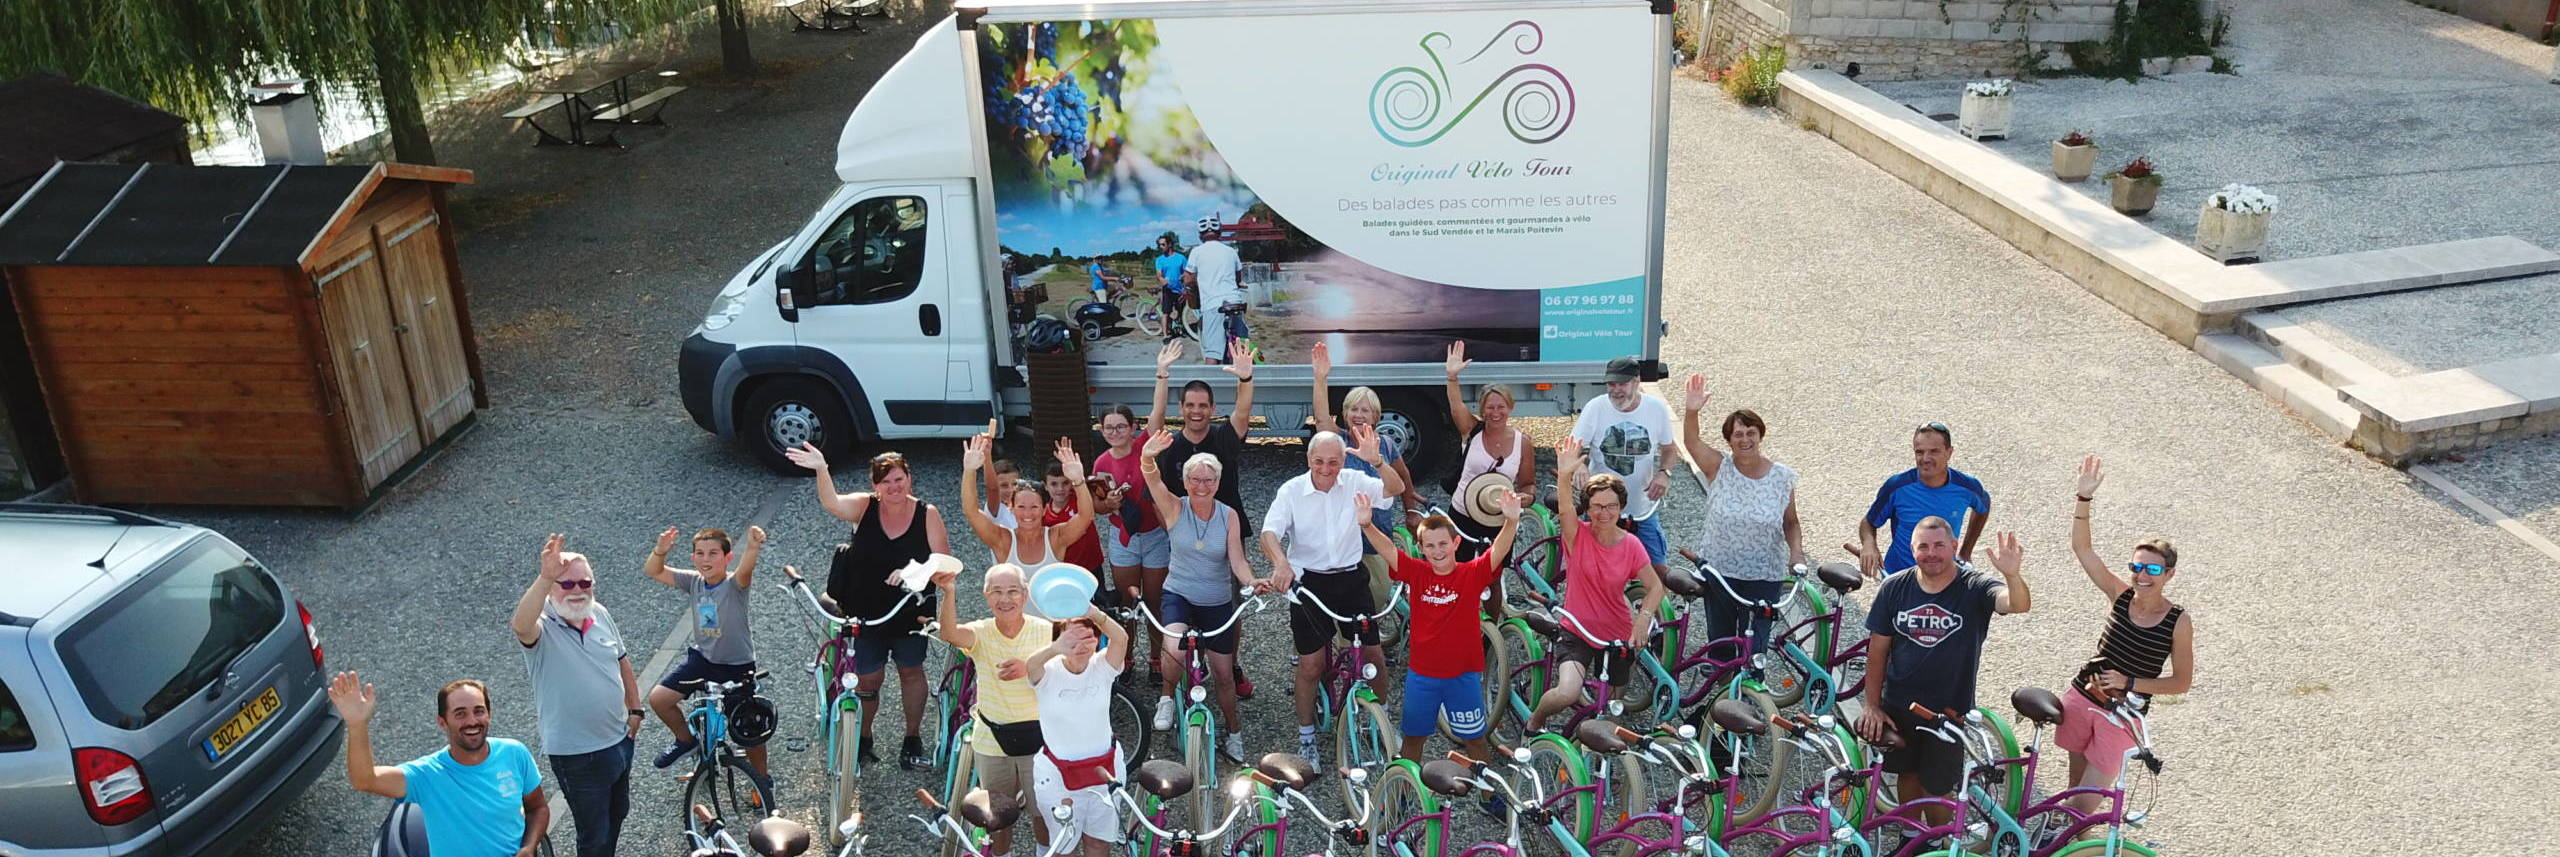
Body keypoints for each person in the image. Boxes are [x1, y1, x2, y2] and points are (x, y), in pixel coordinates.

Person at [1851, 519, 2032, 825]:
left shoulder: (1974, 587)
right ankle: (1911, 837)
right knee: (1906, 775)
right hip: (1899, 704)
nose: (1931, 553)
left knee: (1939, 787)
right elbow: (1878, 650)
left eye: (1939, 545)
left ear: (1954, 547)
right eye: (1923, 546)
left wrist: (2012, 576)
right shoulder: (1894, 587)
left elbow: (2017, 604)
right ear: (1912, 549)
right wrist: (1872, 704)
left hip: (1949, 711)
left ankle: (1939, 840)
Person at [788, 443, 953, 771]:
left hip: (909, 609)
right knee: (867, 680)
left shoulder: (927, 513)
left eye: (899, 479)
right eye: (886, 482)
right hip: (865, 611)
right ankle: (863, 737)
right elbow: (832, 503)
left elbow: (944, 562)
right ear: (875, 486)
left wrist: (913, 572)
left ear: (909, 479)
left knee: (911, 671)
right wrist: (822, 469)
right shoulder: (864, 507)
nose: (894, 487)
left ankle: (912, 737)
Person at [2059, 456, 2194, 824]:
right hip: (2083, 696)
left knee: (2083, 805)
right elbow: (2083, 550)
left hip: (2123, 715)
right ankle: (2068, 845)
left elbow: (2181, 682)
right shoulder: (2119, 594)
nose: (2141, 575)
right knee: (2073, 793)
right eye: (2136, 567)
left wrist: (2130, 682)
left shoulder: (2177, 621)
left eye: (2152, 569)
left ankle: (2068, 839)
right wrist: (2082, 500)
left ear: (2169, 574)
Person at [1260, 426, 1403, 764]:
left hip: (1351, 580)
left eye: (1334, 462)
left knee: (1374, 655)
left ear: (1342, 461)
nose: (1326, 469)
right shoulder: (1292, 490)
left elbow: (1395, 488)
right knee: (1311, 665)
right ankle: (1306, 737)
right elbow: (1269, 532)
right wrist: (1281, 562)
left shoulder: (1354, 481)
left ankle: (1380, 719)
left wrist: (1378, 461)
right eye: (1319, 462)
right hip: (1309, 582)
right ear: (1308, 459)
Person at [1137, 429, 1271, 761]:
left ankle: (1234, 732)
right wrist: (1147, 456)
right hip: (1179, 593)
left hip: (1215, 600)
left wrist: (1251, 581)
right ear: (1185, 482)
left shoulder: (1229, 516)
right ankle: (1167, 697)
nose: (1201, 485)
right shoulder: (1173, 507)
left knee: (1224, 674)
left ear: (1218, 482)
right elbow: (1152, 480)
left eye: (1209, 480)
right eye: (1195, 479)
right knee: (1173, 648)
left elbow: (1236, 559)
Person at [1361, 494, 1518, 764]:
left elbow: (1498, 551)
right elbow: (1388, 550)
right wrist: (1366, 525)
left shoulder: (1472, 573)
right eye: (1430, 546)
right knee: (1414, 739)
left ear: (1456, 543)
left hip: (1463, 676)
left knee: (1474, 739)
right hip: (1423, 677)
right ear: (1421, 548)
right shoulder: (1417, 572)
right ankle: (1405, 794)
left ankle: (1488, 796)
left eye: (1443, 543)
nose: (1438, 551)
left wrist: (1511, 521)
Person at [510, 535, 643, 857]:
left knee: (617, 814)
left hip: (619, 740)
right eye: (565, 584)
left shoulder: (599, 613)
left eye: (585, 582)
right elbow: (519, 625)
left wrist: (636, 710)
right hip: (577, 755)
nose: (577, 590)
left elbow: (621, 659)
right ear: (551, 588)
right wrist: (544, 576)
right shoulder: (542, 625)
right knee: (593, 834)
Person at [1526, 437, 1668, 734]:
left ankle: (1608, 761)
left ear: (1621, 507)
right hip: (1577, 628)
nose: (1604, 514)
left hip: (1618, 633)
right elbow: (1565, 510)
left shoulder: (1631, 545)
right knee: (1566, 692)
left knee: (1614, 704)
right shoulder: (1577, 536)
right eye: (1597, 507)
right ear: (1588, 509)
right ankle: (1535, 721)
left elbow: (1655, 587)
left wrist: (1643, 618)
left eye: (1611, 506)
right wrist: (1564, 475)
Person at [330, 673, 551, 857]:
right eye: (460, 714)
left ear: (489, 714)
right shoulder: (426, 775)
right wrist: (357, 724)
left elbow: (538, 808)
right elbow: (365, 780)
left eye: (479, 711)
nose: (472, 721)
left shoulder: (514, 753)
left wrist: (529, 847)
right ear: (442, 722)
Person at [1147, 341, 1260, 698]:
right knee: (1181, 597)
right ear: (1181, 408)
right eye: (1190, 405)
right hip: (1184, 535)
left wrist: (1246, 378)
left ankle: (1231, 663)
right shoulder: (1168, 444)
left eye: (1203, 405)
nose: (1196, 412)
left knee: (1229, 602)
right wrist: (1162, 375)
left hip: (1227, 532)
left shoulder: (1224, 437)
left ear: (1212, 408)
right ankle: (1177, 672)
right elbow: (1153, 423)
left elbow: (1243, 414)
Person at [1674, 374, 1808, 660]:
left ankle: (1747, 696)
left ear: (1760, 435)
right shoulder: (1718, 467)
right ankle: (1723, 698)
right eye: (1738, 434)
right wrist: (1692, 410)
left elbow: (1791, 522)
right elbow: (1691, 441)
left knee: (1754, 649)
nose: (1745, 439)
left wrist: (1796, 553)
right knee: (1722, 646)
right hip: (1721, 573)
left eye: (1750, 433)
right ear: (1729, 440)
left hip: (1764, 575)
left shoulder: (1782, 477)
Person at [933, 563, 1055, 855]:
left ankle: (1044, 851)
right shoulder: (982, 632)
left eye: (1013, 591)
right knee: (997, 813)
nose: (1005, 599)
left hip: (1039, 736)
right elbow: (948, 633)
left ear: (1025, 596)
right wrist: (949, 591)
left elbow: (1072, 663)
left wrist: (1029, 667)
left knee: (1043, 811)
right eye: (997, 592)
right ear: (987, 597)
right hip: (992, 737)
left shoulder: (1047, 631)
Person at [641, 525, 768, 775]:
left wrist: (753, 547)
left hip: (737, 666)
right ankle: (687, 741)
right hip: (704, 660)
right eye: (700, 553)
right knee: (659, 699)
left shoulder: (734, 585)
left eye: (713, 553)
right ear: (693, 558)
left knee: (748, 728)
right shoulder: (694, 581)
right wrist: (660, 550)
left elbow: (746, 569)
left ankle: (763, 779)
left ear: (727, 558)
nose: (705, 559)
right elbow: (653, 570)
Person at [1311, 342, 1425, 612]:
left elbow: (1404, 478)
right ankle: (1347, 648)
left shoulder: (1385, 444)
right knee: (1341, 601)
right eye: (1354, 409)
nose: (1359, 415)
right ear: (1345, 413)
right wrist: (1320, 378)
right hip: (1342, 537)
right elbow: (1320, 419)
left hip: (1377, 535)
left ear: (1375, 416)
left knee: (1376, 597)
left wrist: (1411, 511)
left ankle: (1367, 642)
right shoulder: (1337, 440)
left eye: (1365, 410)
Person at [1092, 354, 1175, 678]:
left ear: (1133, 429)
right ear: (1102, 429)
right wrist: (1109, 504)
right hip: (1123, 537)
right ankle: (1125, 660)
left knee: (1155, 603)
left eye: (1121, 427)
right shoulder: (1100, 463)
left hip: (1155, 535)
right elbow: (1096, 508)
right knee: (1127, 607)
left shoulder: (1145, 446)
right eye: (1109, 427)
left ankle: (1157, 659)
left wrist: (1161, 373)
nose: (1115, 432)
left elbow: (1158, 414)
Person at [1027, 609, 1134, 857]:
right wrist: (1056, 648)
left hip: (1105, 770)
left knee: (1099, 843)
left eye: (1088, 638)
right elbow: (1030, 665)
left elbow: (1121, 639)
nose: (1082, 645)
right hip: (1057, 775)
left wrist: (1094, 613)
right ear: (1058, 640)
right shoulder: (1048, 671)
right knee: (1064, 847)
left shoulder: (1102, 666)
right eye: (1072, 640)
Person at [1571, 356, 1682, 580]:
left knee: (1658, 572)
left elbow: (1670, 449)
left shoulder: (1655, 408)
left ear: (1637, 381)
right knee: (1591, 573)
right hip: (1600, 509)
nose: (1616, 390)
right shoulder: (1596, 408)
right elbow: (1571, 448)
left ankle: (1652, 613)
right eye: (1612, 384)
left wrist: (1664, 473)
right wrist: (1578, 465)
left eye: (1622, 384)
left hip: (1641, 508)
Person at [1847, 422, 1991, 579]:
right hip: (1900, 577)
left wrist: (1965, 552)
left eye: (1934, 451)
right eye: (1919, 452)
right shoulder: (1897, 486)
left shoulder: (1968, 487)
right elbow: (1869, 522)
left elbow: (1983, 507)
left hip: (1943, 578)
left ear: (1949, 453)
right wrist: (1869, 545)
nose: (1925, 458)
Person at [963, 435, 1098, 594]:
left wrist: (1078, 480)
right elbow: (971, 512)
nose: (1027, 513)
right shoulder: (1003, 540)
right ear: (1011, 508)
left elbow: (1085, 517)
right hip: (1013, 617)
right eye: (1021, 506)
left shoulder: (1055, 538)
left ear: (1043, 509)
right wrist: (969, 471)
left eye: (1034, 506)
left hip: (1050, 618)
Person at [1444, 342, 1539, 556]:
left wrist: (1526, 499)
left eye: (1501, 407)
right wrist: (1452, 377)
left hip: (1499, 518)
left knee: (1494, 578)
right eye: (1490, 407)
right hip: (1462, 514)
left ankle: (1496, 592)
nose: (1495, 413)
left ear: (1510, 408)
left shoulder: (1522, 442)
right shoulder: (1471, 429)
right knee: (1460, 574)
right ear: (1482, 409)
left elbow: (1528, 484)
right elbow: (1455, 404)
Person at [1182, 216, 1246, 364]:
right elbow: (1238, 277)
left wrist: (1193, 286)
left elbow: (1188, 279)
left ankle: (1210, 382)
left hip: (1213, 304)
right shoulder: (1231, 251)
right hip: (1235, 301)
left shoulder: (1197, 251)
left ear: (1200, 235)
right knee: (1243, 348)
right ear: (1220, 232)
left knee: (1212, 352)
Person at [1151, 232, 1189, 338]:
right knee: (1166, 312)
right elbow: (1159, 274)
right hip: (1167, 289)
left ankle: (1180, 328)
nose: (1161, 247)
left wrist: (1184, 278)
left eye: (1163, 244)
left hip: (1180, 289)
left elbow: (1186, 273)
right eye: (1159, 245)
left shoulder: (1181, 258)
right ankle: (1165, 335)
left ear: (1170, 245)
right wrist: (1161, 279)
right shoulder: (1160, 260)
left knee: (1180, 311)